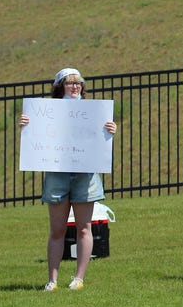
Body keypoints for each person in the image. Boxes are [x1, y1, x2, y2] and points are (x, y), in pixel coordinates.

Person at [19, 68, 117, 291]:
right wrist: (26, 125)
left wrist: (112, 129)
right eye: (69, 83)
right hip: (57, 175)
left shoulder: (95, 111)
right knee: (57, 229)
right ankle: (52, 280)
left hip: (85, 175)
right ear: (60, 87)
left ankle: (78, 279)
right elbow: (36, 135)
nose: (75, 87)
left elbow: (100, 140)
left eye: (78, 83)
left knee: (84, 228)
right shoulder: (46, 110)